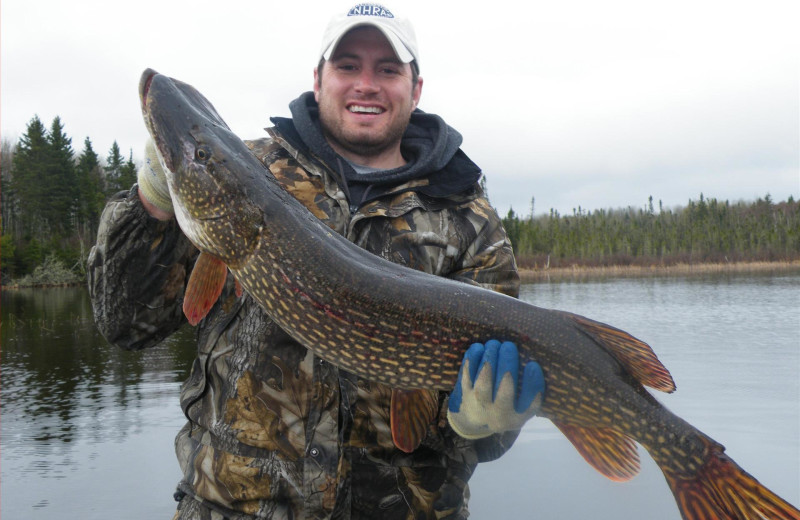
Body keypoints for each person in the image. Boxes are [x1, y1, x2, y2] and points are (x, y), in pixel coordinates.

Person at [88, 4, 545, 519]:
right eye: (348, 65)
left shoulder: (468, 218)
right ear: (318, 78)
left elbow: (484, 433)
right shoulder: (249, 170)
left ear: (415, 89)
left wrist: (480, 424)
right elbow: (126, 321)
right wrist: (153, 201)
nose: (366, 84)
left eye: (388, 69)